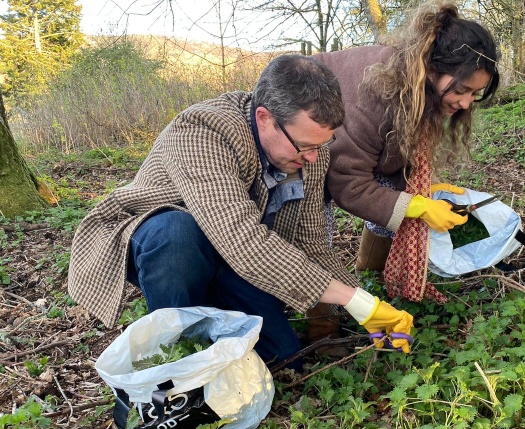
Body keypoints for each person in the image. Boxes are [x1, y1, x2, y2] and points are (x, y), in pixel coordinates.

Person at [66, 54, 414, 372]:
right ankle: (173, 350)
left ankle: (217, 324)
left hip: (232, 258)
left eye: (320, 146)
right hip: (168, 244)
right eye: (305, 146)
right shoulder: (202, 131)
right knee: (177, 234)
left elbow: (311, 244)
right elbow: (241, 240)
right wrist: (353, 299)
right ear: (265, 118)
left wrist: (364, 303)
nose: (313, 157)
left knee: (283, 359)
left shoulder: (310, 151)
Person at [314, 1, 499, 301]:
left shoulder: (418, 91)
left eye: (474, 94)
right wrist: (419, 206)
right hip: (303, 146)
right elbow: (347, 183)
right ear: (433, 68)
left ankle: (373, 276)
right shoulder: (376, 95)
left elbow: (393, 165)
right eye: (461, 90)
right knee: (314, 229)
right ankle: (321, 322)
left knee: (400, 200)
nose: (466, 104)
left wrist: (426, 192)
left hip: (348, 149)